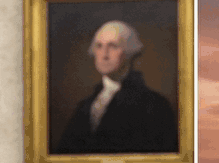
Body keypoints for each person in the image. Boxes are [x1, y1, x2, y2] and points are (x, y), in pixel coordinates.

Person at [54, 20, 179, 154]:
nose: (104, 54)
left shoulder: (154, 105)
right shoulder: (85, 106)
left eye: (113, 46)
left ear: (130, 52)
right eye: (99, 46)